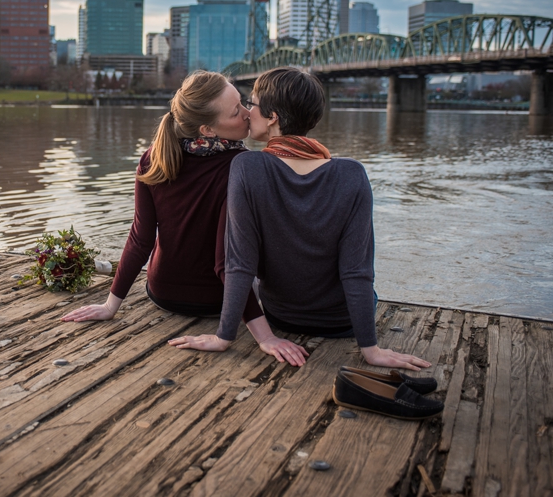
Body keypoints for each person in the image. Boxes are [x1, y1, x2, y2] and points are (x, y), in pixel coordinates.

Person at [169, 67, 430, 370]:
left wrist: (223, 337)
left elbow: (240, 264)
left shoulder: (247, 167)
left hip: (283, 317)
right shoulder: (351, 174)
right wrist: (371, 350)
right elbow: (356, 271)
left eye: (251, 104)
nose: (246, 113)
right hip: (341, 323)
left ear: (272, 117)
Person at [62, 71, 287, 355]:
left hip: (161, 293)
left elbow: (140, 239)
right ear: (207, 130)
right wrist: (265, 337)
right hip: (217, 302)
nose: (246, 114)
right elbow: (228, 261)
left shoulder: (153, 157)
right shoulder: (242, 166)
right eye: (235, 112)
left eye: (243, 104)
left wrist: (111, 305)